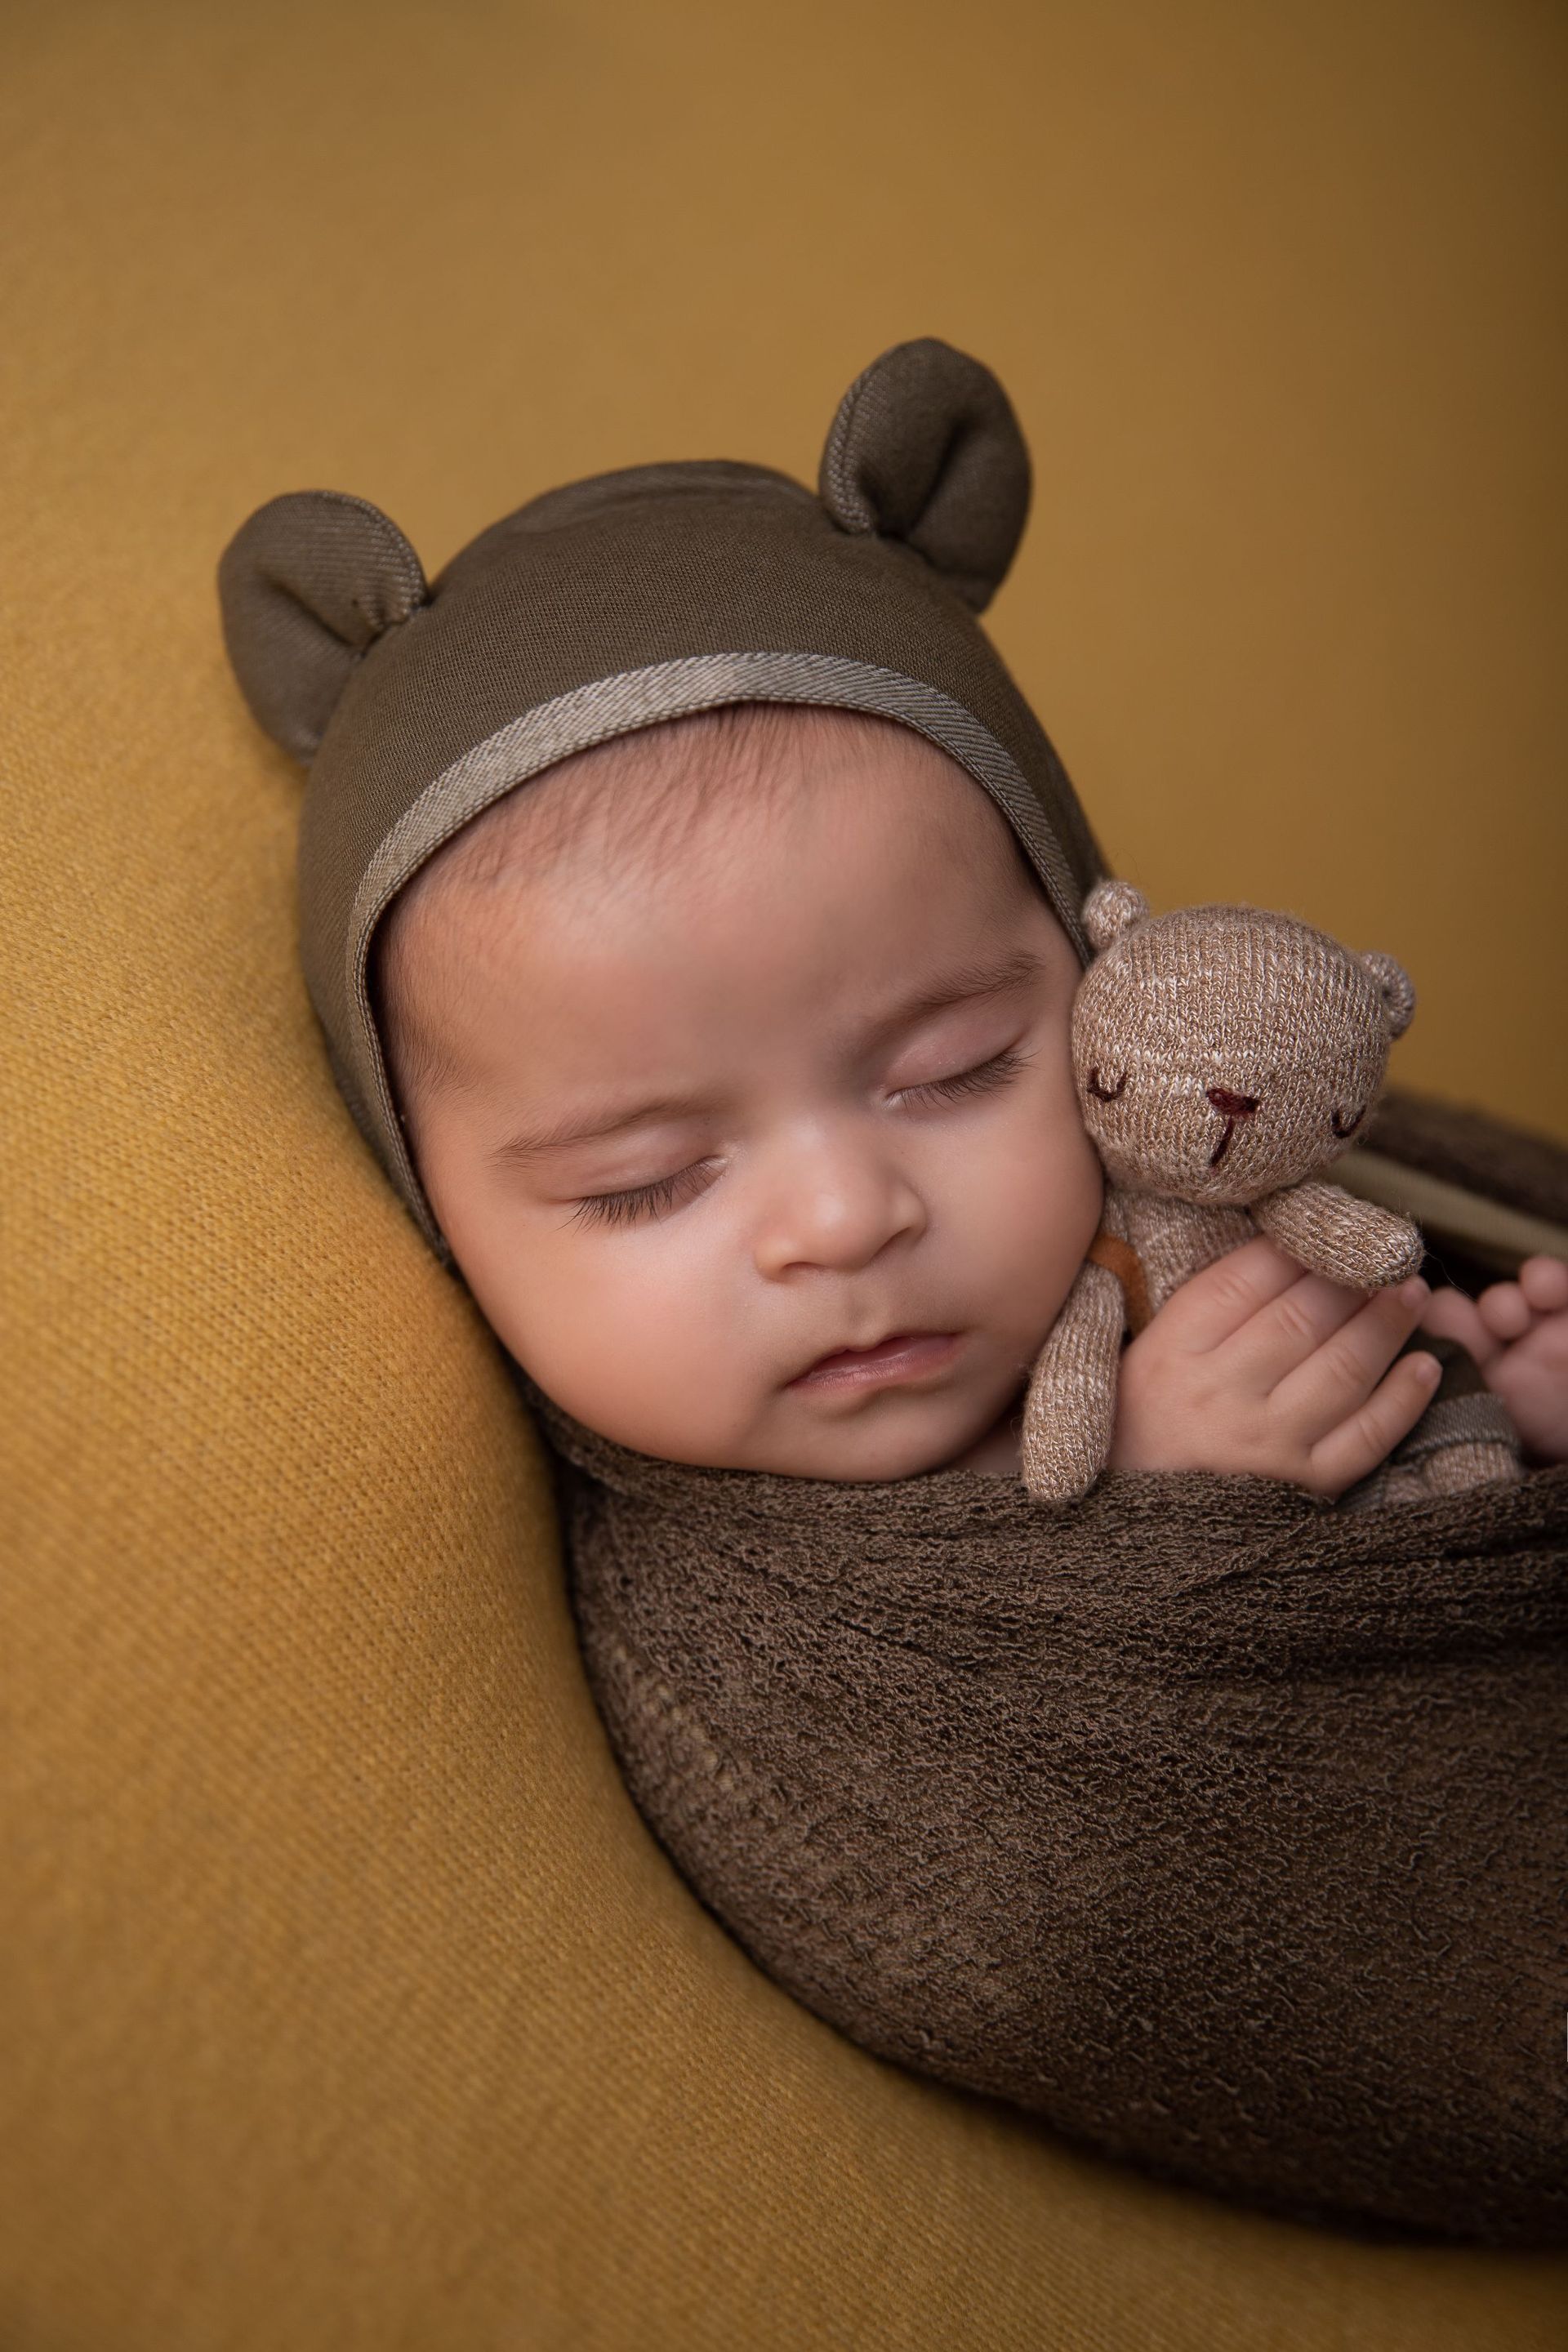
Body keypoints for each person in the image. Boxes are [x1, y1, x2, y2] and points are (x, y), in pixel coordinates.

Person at [218, 337, 1568, 1491]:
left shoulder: (1214, 1220)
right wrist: (1160, 1509)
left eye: (951, 1072)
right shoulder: (704, 1586)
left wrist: (1468, 1399)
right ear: (433, 1213)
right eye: (645, 1182)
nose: (845, 1219)